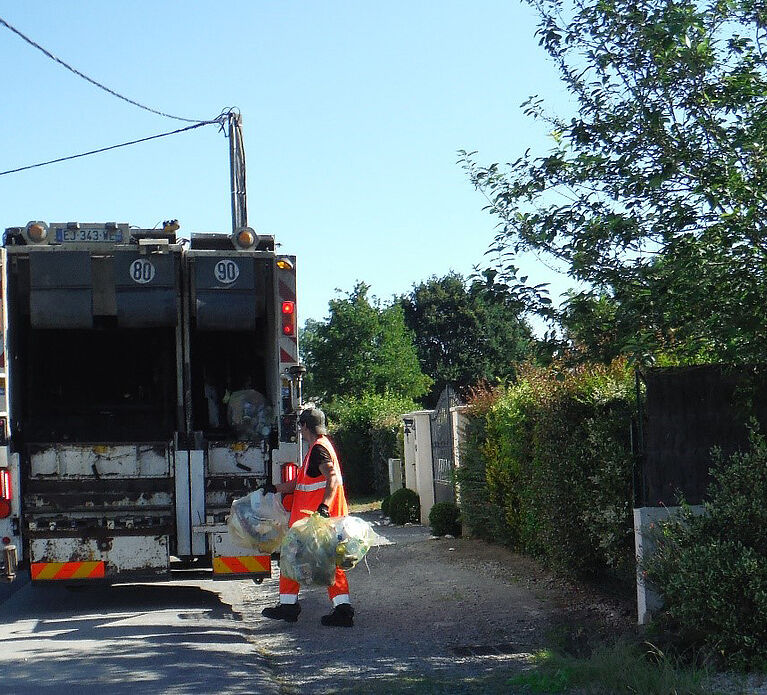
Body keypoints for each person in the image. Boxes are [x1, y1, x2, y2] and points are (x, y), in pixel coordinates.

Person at [261, 407, 355, 627]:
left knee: (291, 557)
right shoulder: (320, 447)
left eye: (300, 427)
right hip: (322, 520)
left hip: (316, 519)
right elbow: (300, 483)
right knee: (330, 563)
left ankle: (289, 607)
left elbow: (331, 478)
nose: (300, 431)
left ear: (304, 426)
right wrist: (275, 488)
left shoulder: (318, 450)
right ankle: (342, 609)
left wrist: (324, 506)